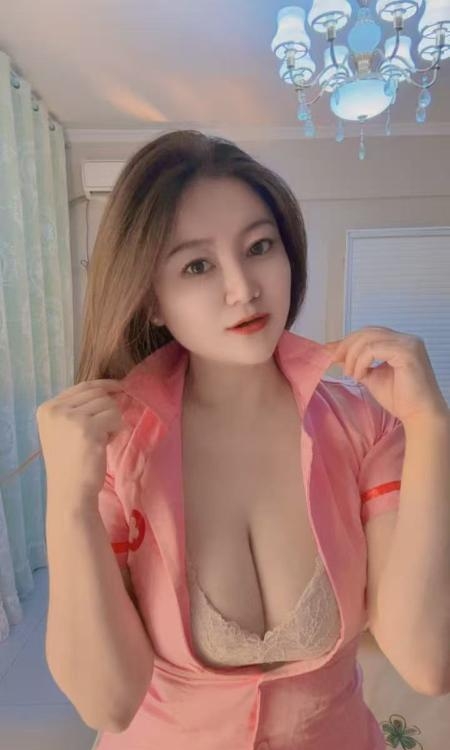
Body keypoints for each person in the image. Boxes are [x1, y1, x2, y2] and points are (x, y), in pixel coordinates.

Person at [30, 130, 406, 749]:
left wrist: (434, 426)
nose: (243, 287)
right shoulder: (115, 449)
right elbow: (108, 702)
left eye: (259, 246)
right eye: (197, 265)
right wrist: (69, 503)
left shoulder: (364, 424)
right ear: (152, 301)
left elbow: (425, 658)